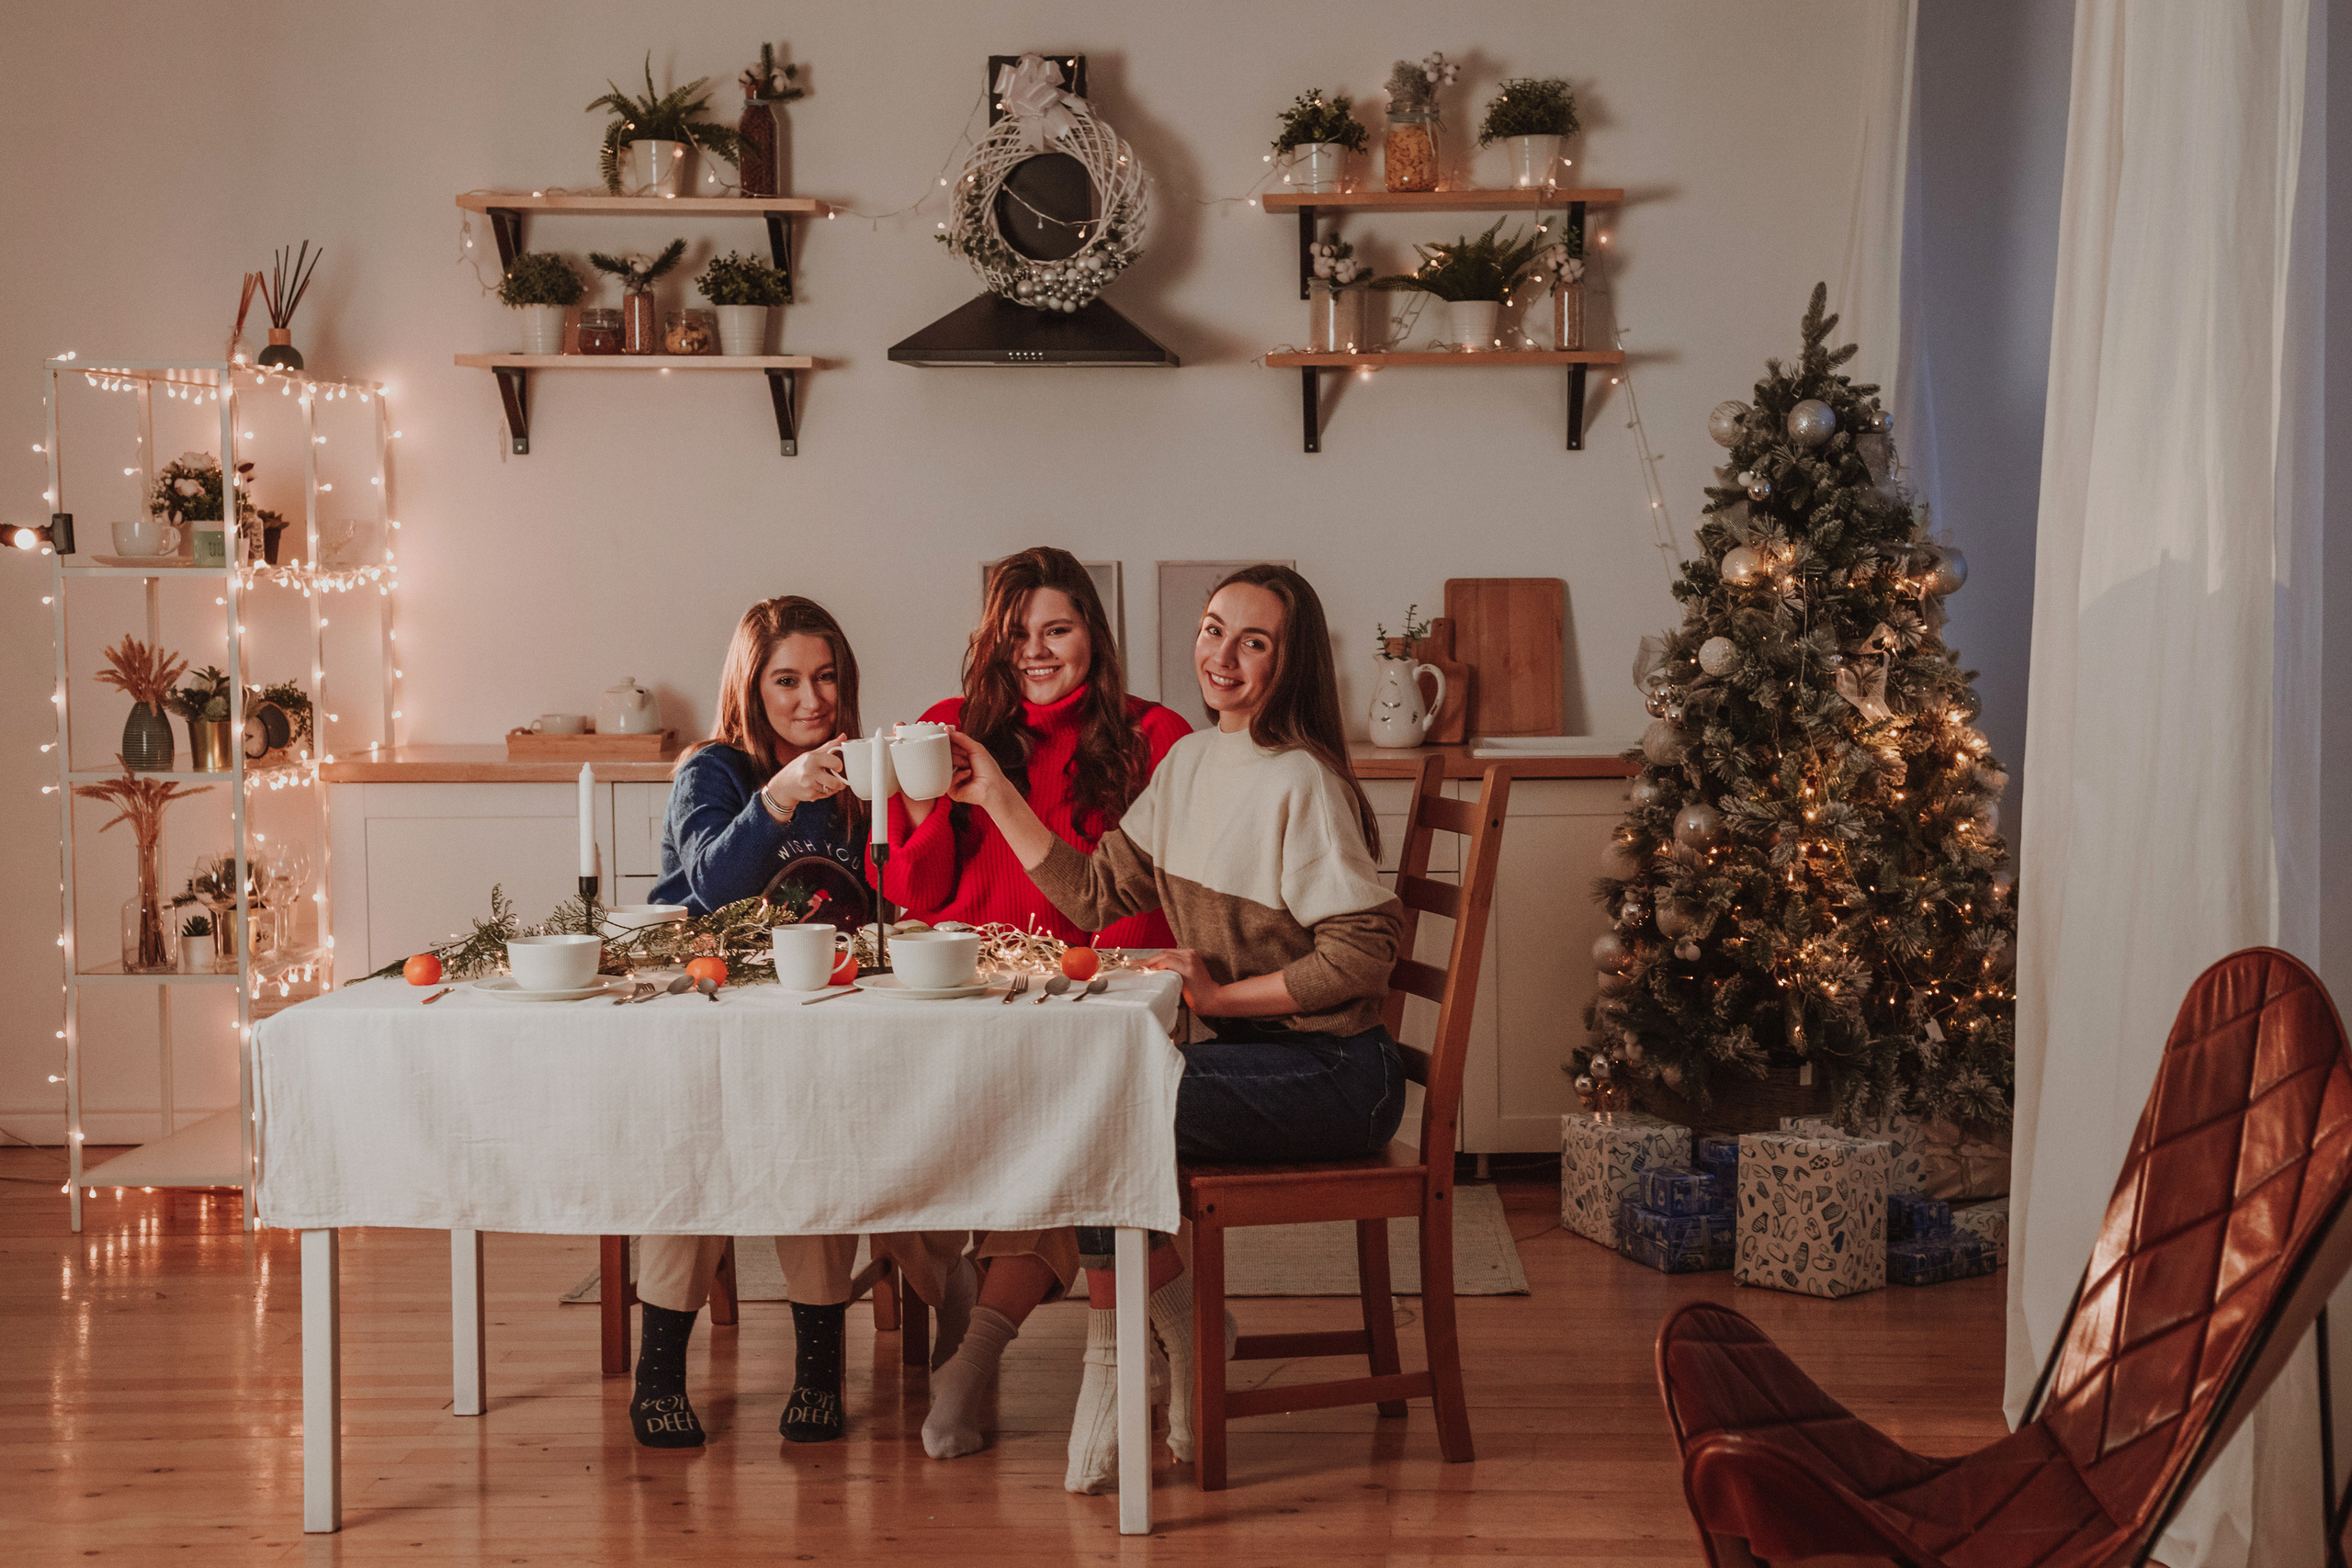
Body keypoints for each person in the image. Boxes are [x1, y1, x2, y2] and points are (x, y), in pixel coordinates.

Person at [944, 563, 1407, 1494]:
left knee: (1099, 1110)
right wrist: (994, 792)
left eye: (1253, 641)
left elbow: (1365, 953)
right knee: (1092, 1103)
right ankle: (1183, 1334)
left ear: (1290, 663)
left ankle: (1116, 1367)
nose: (1221, 655)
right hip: (1254, 1064)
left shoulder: (1302, 782)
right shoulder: (1191, 762)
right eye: (1211, 628)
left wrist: (1220, 1000)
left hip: (1337, 1074)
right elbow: (1094, 892)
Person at [630, 595, 975, 1451]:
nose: (810, 699)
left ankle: (821, 1367)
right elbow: (713, 887)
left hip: (829, 1019)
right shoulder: (713, 771)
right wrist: (779, 796)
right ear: (752, 688)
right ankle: (659, 1372)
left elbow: (902, 900)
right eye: (786, 681)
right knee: (692, 1150)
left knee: (821, 1134)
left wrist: (918, 801)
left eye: (825, 678)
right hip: (713, 1016)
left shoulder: (861, 775)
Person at [879, 546, 1192, 1461]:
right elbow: (915, 894)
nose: (1036, 651)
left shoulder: (1152, 736)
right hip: (966, 1005)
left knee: (1069, 1118)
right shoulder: (947, 730)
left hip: (1090, 1006)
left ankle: (975, 1358)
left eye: (1058, 629)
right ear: (991, 642)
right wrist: (922, 804)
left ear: (1094, 633)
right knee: (1059, 1130)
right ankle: (1163, 1332)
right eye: (1017, 634)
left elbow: (1138, 910)